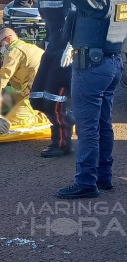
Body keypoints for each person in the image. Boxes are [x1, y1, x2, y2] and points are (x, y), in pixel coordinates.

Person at [57, 0, 127, 199]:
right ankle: (103, 176)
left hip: (92, 68)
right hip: (112, 63)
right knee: (103, 124)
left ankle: (85, 182)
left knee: (87, 127)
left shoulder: (99, 2)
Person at [29, 0, 74, 158]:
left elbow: (79, 18)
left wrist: (71, 46)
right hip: (51, 50)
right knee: (37, 98)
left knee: (53, 101)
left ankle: (62, 143)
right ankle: (71, 115)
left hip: (66, 51)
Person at [0, 28, 48, 126]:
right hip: (44, 92)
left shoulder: (13, 51)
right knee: (6, 96)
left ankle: (46, 118)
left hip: (35, 95)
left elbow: (1, 79)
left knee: (9, 122)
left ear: (8, 39)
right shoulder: (32, 48)